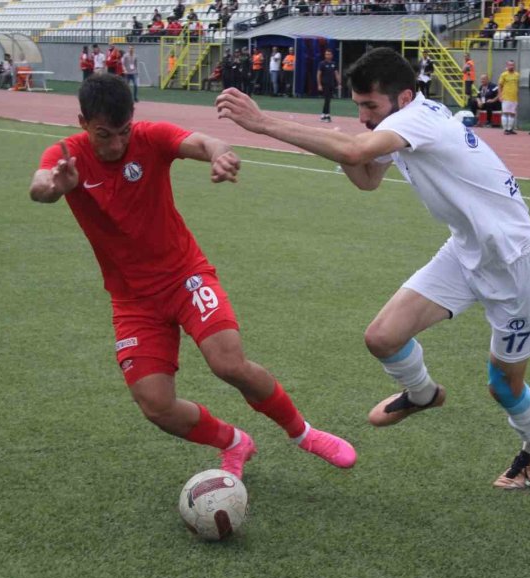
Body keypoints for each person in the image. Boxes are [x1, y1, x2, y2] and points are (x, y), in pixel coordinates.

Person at [216, 48, 530, 490]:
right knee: (382, 337)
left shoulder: (417, 119)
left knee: (503, 386)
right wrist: (342, 148)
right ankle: (423, 394)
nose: (362, 116)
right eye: (357, 105)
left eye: (370, 106)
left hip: (516, 263)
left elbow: (359, 150)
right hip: (465, 251)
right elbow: (366, 178)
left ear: (404, 97)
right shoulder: (400, 122)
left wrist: (261, 122)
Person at [29, 74, 356, 481]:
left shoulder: (150, 138)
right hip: (132, 301)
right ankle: (233, 442)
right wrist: (53, 187)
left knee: (228, 363)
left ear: (133, 120)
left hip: (185, 277)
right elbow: (40, 185)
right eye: (104, 135)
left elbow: (203, 142)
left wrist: (221, 153)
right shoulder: (66, 157)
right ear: (83, 123)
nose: (115, 144)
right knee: (155, 405)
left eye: (123, 132)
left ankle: (303, 434)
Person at [317, 48, 341, 123]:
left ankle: (323, 115)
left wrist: (339, 83)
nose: (327, 55)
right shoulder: (322, 63)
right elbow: (318, 74)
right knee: (327, 99)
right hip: (325, 84)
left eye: (329, 54)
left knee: (328, 100)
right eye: (326, 54)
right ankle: (327, 115)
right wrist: (319, 84)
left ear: (332, 55)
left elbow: (336, 74)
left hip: (331, 84)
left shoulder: (334, 63)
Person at [498, 59, 520, 135]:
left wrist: (517, 95)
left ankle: (510, 129)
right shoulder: (503, 74)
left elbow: (517, 85)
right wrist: (500, 95)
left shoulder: (517, 75)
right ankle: (505, 129)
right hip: (506, 96)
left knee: (512, 113)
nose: (511, 66)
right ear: (507, 66)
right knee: (505, 113)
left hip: (514, 97)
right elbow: (500, 86)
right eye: (510, 65)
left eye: (513, 65)